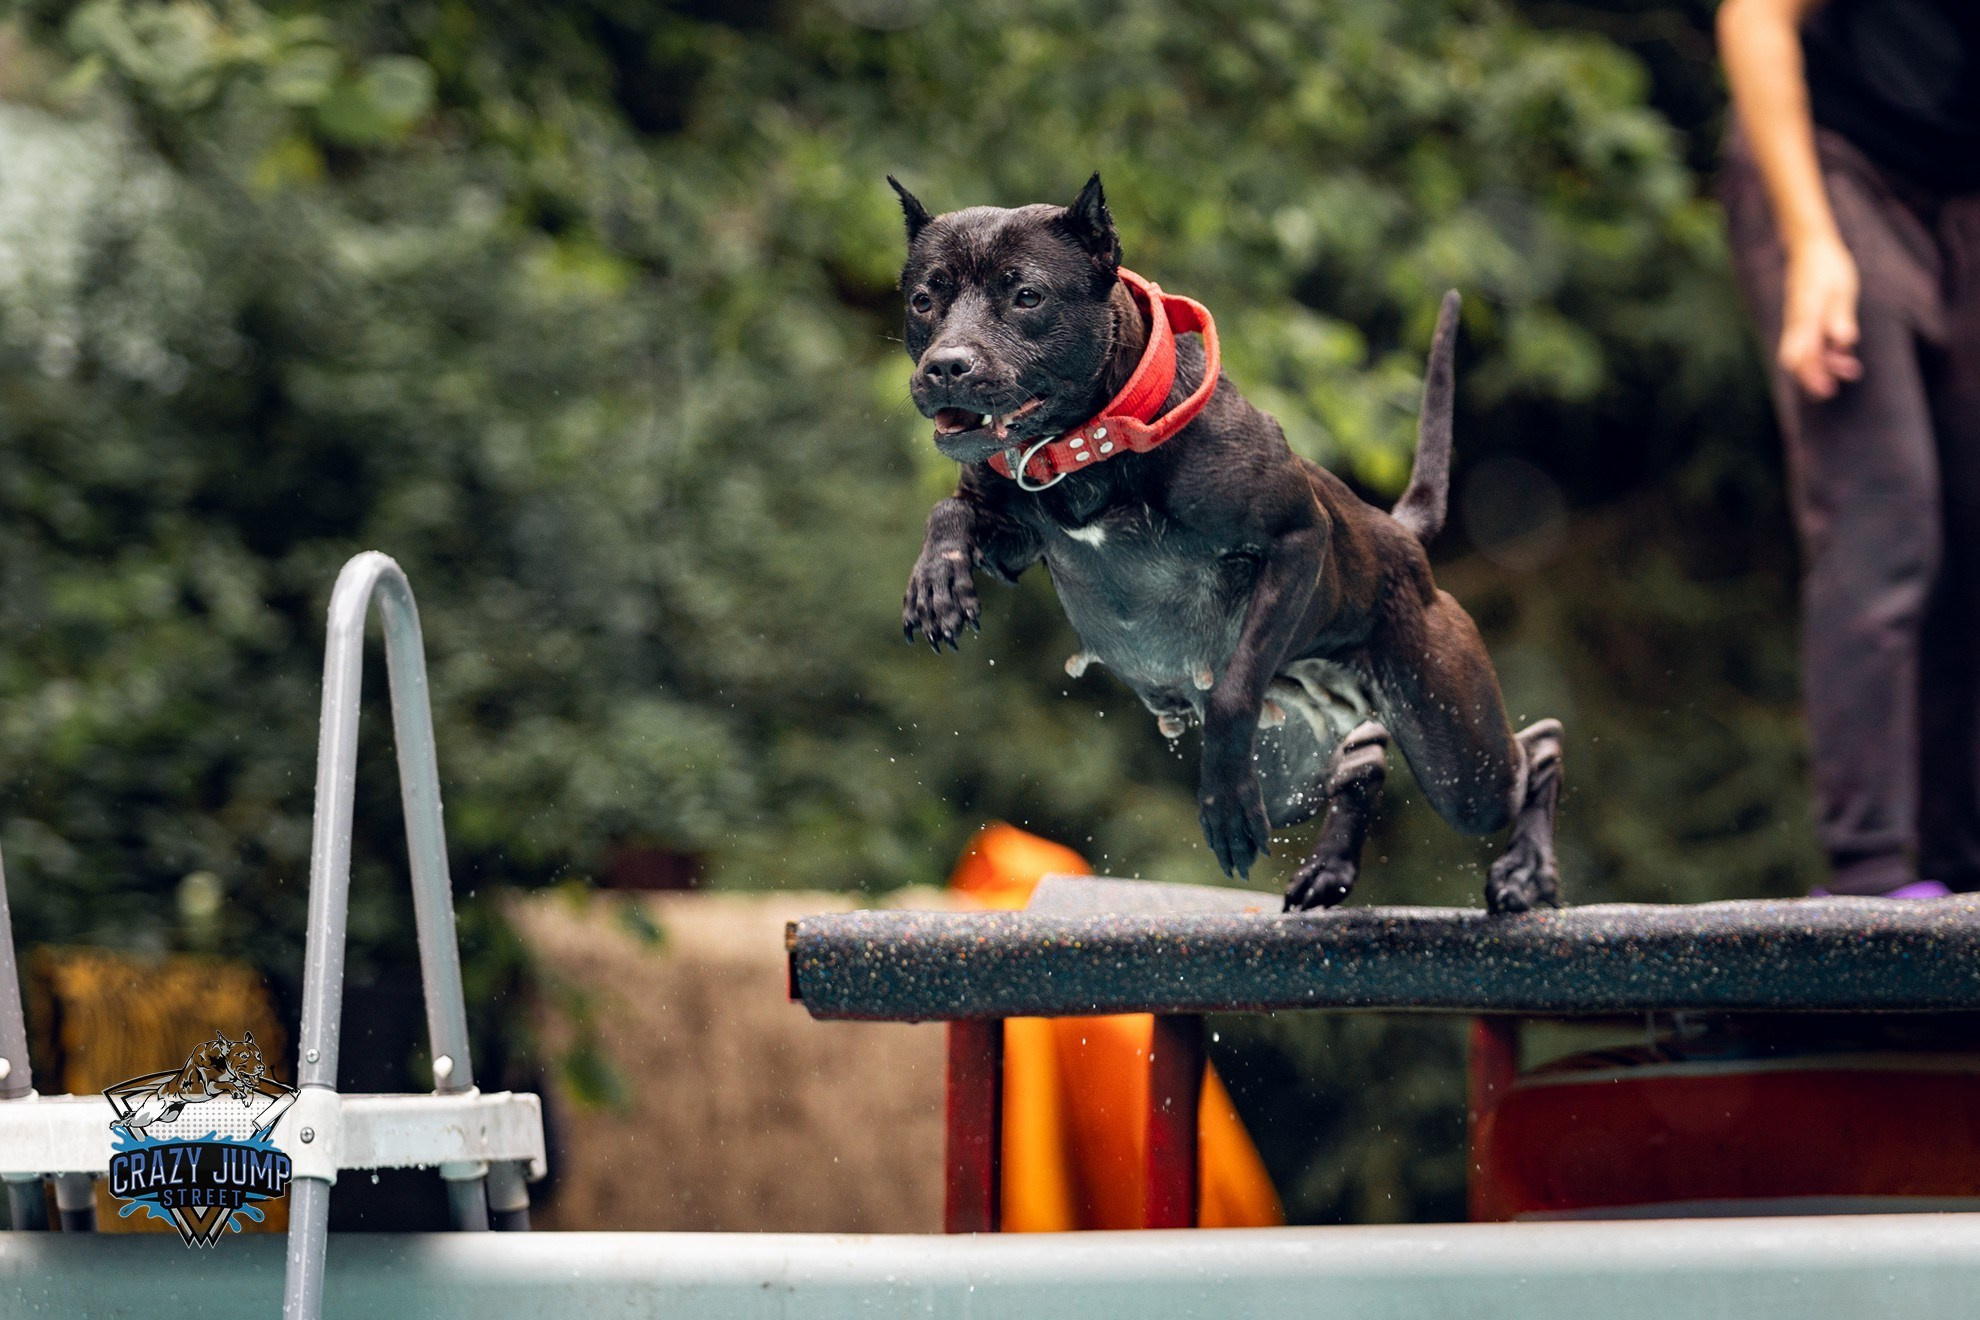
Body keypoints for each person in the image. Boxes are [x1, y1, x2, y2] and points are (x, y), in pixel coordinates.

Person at [1717, 0, 1980, 896]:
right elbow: (1754, 17)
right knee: (1887, 517)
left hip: (1964, 200)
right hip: (1834, 167)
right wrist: (1813, 240)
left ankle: (1963, 877)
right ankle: (1870, 885)